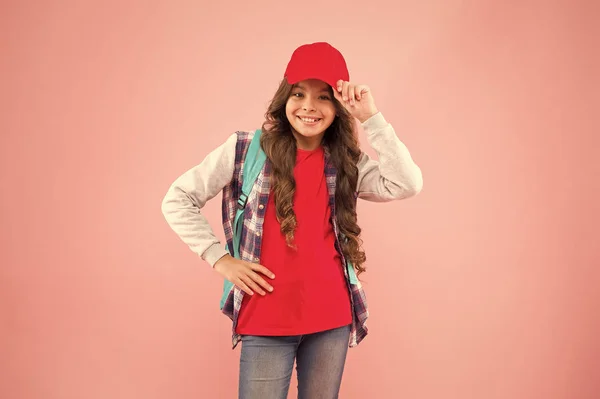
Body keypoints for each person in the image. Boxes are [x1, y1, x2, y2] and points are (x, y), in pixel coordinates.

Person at [161, 41, 423, 399]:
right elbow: (178, 198)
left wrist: (371, 118)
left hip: (331, 317)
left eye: (323, 97)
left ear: (338, 106)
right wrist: (219, 260)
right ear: (284, 98)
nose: (309, 107)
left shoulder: (346, 161)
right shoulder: (245, 149)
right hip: (266, 318)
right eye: (298, 94)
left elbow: (406, 183)